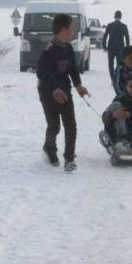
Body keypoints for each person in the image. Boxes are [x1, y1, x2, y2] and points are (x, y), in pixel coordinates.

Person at [36, 13, 89, 171]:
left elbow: (72, 68)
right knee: (54, 126)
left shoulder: (69, 47)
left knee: (71, 125)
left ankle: (69, 158)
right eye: (70, 28)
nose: (73, 31)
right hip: (47, 92)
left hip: (65, 91)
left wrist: (78, 85)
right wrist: (54, 89)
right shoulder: (50, 50)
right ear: (62, 30)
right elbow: (41, 73)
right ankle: (49, 149)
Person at [102, 10, 130, 81]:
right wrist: (127, 48)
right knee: (119, 64)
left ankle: (113, 79)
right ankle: (117, 77)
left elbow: (105, 36)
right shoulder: (124, 26)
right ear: (121, 17)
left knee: (110, 64)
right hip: (120, 48)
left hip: (111, 47)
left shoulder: (110, 25)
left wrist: (104, 46)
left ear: (114, 16)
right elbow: (127, 38)